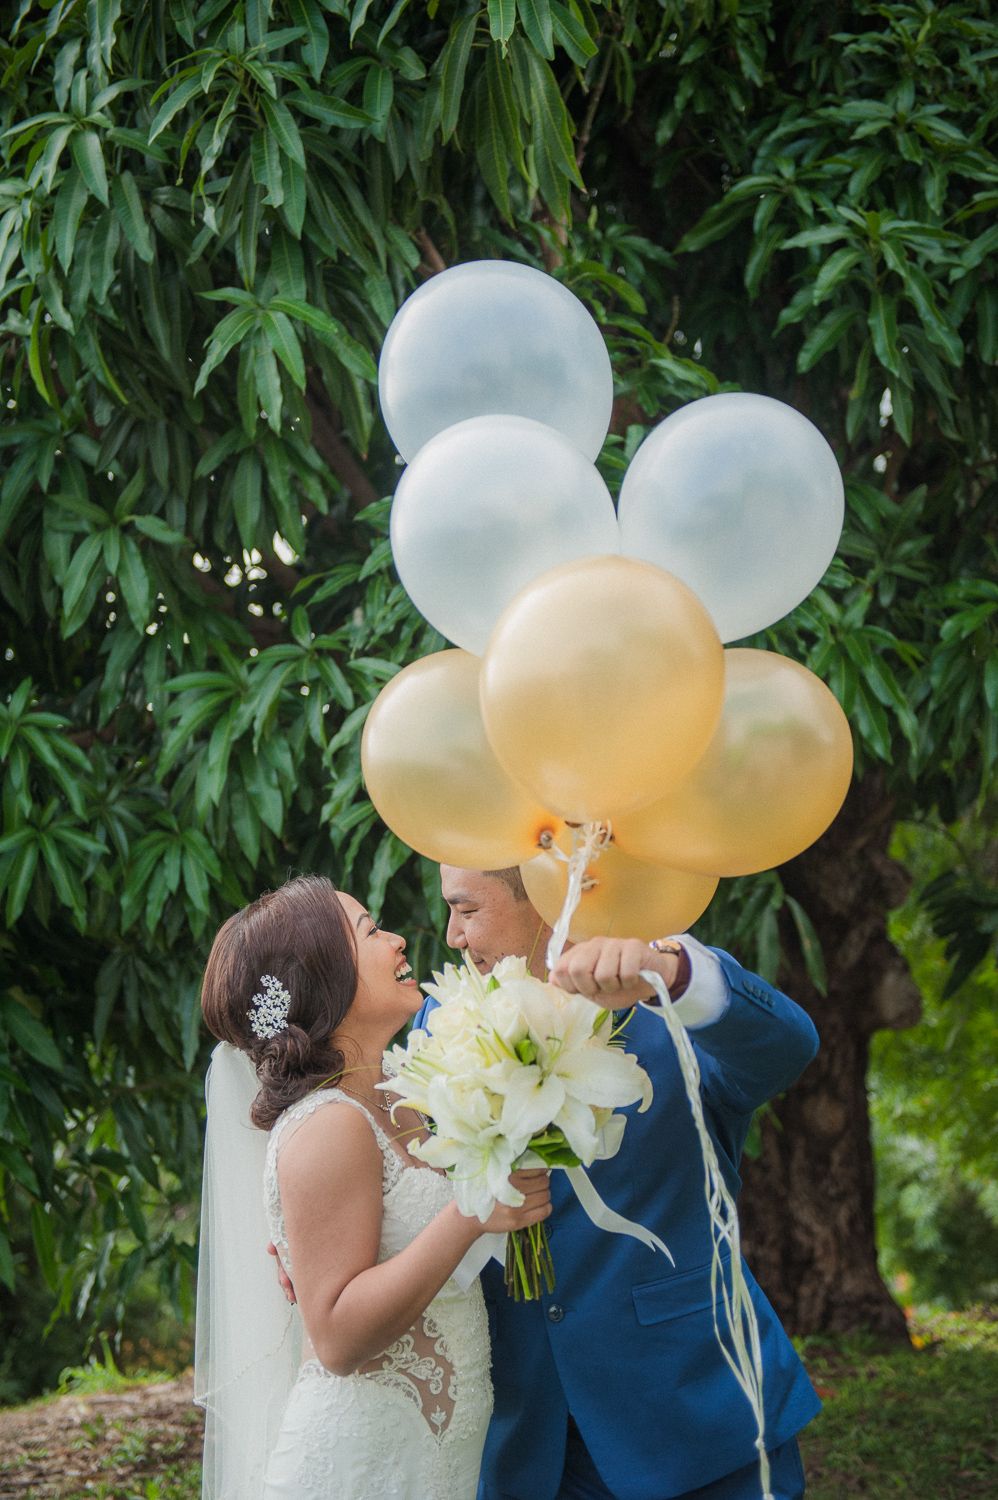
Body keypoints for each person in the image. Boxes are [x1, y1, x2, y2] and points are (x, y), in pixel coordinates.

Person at [427, 864, 822, 1500]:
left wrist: (673, 975)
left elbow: (787, 1047)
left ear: (547, 895)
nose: (452, 935)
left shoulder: (670, 997)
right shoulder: (441, 1023)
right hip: (530, 1444)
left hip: (697, 1417)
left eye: (467, 910)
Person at [194, 873, 551, 1500]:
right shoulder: (328, 1124)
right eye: (369, 931)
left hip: (437, 1455)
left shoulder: (399, 1086)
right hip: (363, 1464)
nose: (396, 940)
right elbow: (335, 1338)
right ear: (324, 978)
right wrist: (472, 1210)